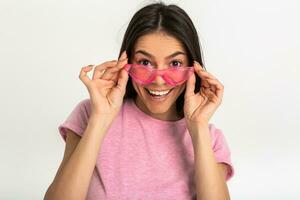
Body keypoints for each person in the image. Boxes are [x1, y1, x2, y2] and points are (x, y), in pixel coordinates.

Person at [44, 2, 234, 200]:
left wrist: (198, 127)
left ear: (193, 69)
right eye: (145, 62)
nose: (159, 80)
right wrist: (100, 119)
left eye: (175, 63)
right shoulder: (90, 113)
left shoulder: (209, 138)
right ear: (126, 63)